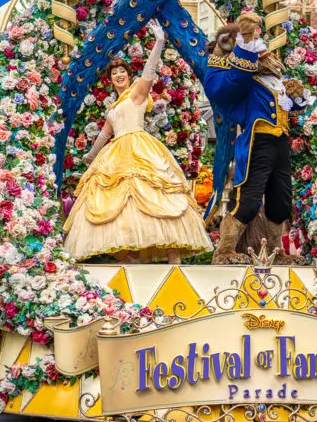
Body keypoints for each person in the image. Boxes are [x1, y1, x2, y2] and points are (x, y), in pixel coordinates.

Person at [63, 21, 212, 263]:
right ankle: (129, 257)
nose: (119, 75)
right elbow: (104, 135)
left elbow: (149, 72)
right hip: (115, 153)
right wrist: (90, 156)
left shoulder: (136, 94)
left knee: (154, 195)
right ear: (110, 79)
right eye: (114, 73)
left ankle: (173, 254)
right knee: (120, 204)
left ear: (128, 75)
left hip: (140, 147)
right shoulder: (113, 107)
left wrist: (160, 42)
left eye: (122, 72)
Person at [204, 12, 308, 264]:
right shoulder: (242, 78)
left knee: (280, 202)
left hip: (279, 143)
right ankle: (224, 251)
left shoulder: (272, 79)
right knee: (248, 200)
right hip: (257, 142)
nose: (264, 54)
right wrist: (243, 42)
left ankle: (276, 251)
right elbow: (227, 86)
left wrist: (295, 96)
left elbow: (289, 107)